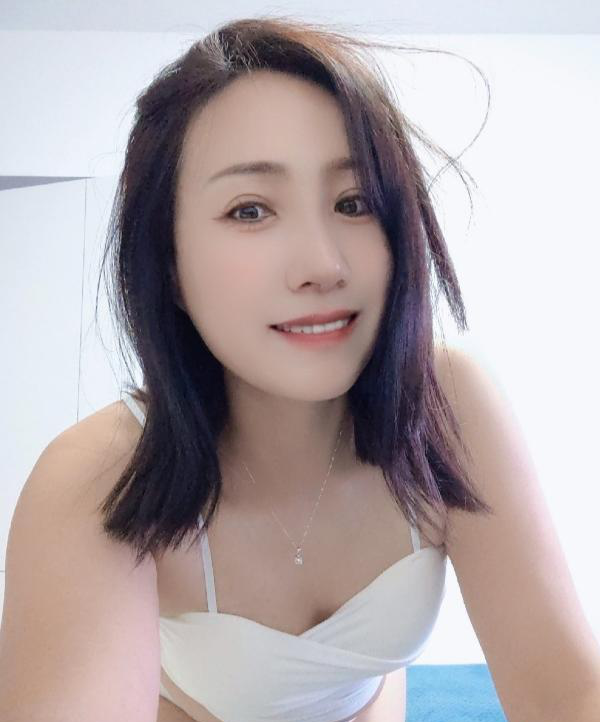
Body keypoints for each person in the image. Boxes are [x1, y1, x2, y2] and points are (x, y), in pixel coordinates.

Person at [3, 15, 600, 722]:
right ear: (168, 263)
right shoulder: (96, 476)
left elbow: (566, 692)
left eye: (354, 202)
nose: (323, 265)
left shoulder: (447, 403)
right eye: (250, 210)